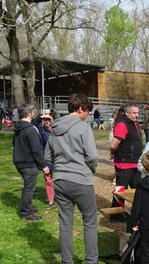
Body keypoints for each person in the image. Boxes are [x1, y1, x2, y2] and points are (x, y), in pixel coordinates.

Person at [44, 93, 99, 263]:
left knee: (65, 224)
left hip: (60, 180)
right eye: (87, 111)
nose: (88, 115)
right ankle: (91, 260)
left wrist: (60, 167)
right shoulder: (83, 128)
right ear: (80, 108)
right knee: (90, 221)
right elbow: (92, 156)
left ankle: (67, 261)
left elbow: (47, 155)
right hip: (81, 180)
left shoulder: (55, 128)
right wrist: (91, 169)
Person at [13, 104, 47, 220]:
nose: (34, 114)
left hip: (19, 162)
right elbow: (37, 150)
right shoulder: (30, 129)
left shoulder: (18, 127)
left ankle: (27, 207)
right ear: (29, 114)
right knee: (29, 188)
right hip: (28, 163)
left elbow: (14, 143)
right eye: (33, 112)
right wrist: (43, 166)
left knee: (28, 186)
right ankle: (25, 212)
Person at [109, 102, 143, 221]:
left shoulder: (133, 123)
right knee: (120, 189)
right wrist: (113, 153)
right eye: (134, 113)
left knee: (138, 188)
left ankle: (138, 212)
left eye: (138, 113)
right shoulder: (122, 124)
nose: (137, 115)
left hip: (135, 163)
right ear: (127, 113)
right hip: (124, 163)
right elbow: (114, 144)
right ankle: (115, 214)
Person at [32, 113, 55, 209]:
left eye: (48, 119)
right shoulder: (41, 131)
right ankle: (51, 200)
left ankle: (63, 198)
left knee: (60, 180)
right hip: (47, 159)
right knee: (48, 180)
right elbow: (32, 125)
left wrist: (52, 121)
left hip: (59, 159)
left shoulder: (58, 130)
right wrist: (40, 116)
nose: (47, 121)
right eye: (45, 120)